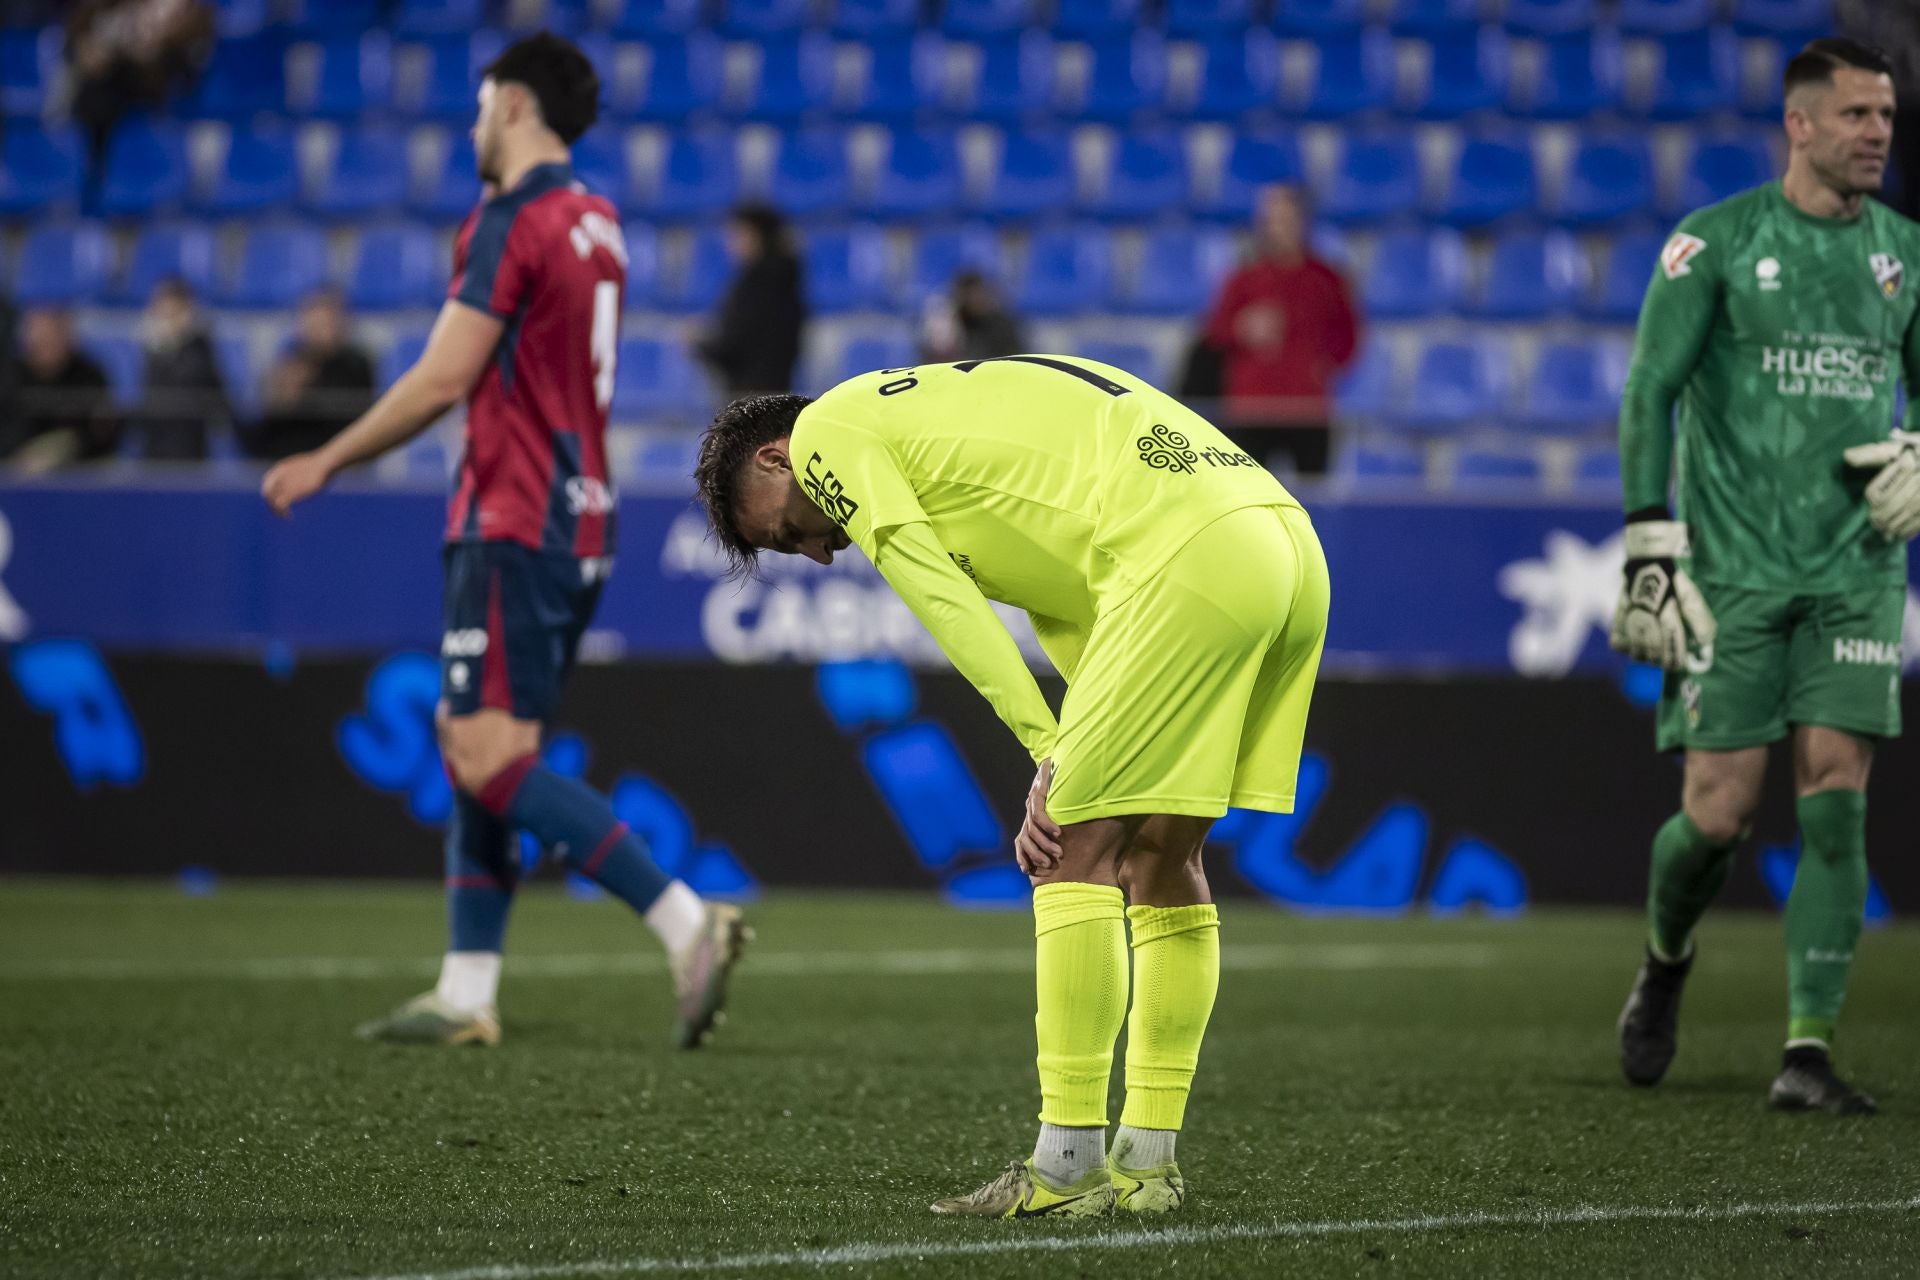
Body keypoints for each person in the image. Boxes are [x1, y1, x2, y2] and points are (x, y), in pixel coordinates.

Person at [694, 355, 1328, 1217]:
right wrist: (1073, 741)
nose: (815, 551)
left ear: (776, 456)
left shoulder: (829, 437)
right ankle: (1148, 1169)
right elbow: (1071, 603)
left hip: (1182, 553)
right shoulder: (933, 429)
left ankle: (1065, 1172)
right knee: (1160, 855)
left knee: (1071, 849)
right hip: (1278, 542)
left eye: (785, 532)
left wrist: (1046, 750)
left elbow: (940, 598)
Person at [261, 33, 749, 1050]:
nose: (472, 122)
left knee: (481, 750)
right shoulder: (597, 220)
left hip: (511, 511)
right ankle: (467, 988)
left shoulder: (511, 218)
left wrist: (328, 457)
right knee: (489, 747)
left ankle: (682, 917)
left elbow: (445, 376)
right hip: (582, 516)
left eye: (481, 102)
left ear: (515, 104)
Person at [1611, 38, 1920, 1116]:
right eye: (1855, 116)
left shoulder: (1906, 254)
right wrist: (1652, 535)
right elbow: (1650, 387)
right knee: (1718, 814)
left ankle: (1808, 1049)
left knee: (1837, 788)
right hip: (1733, 572)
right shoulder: (1718, 243)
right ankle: (1666, 955)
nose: (1878, 132)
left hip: (1859, 571)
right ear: (1799, 125)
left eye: (1885, 115)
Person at [1202, 184, 1359, 478]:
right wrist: (1242, 327)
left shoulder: (1326, 279)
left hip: (1307, 410)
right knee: (1247, 498)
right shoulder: (1244, 278)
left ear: (1303, 220)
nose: (1278, 227)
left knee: (1313, 498)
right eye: (1271, 218)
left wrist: (1319, 366)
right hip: (1251, 409)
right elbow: (1215, 333)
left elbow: (1348, 337)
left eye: (1285, 218)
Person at [247, 288, 375, 461]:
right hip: (285, 457)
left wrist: (309, 386)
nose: (320, 328)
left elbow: (355, 422)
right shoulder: (290, 360)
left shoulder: (357, 363)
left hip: (338, 462)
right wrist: (281, 400)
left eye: (327, 321)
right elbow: (265, 430)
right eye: (314, 320)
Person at [695, 203, 806, 399]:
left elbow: (732, 347)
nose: (729, 243)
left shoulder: (754, 286)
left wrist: (700, 342)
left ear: (755, 236)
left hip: (746, 397)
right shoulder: (789, 282)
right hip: (777, 392)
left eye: (737, 234)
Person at [3, 306, 118, 471]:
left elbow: (103, 433)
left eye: (51, 340)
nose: (44, 347)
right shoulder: (9, 376)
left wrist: (68, 446)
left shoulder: (90, 376)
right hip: (16, 472)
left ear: (67, 340)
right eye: (39, 341)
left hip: (79, 472)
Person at [133, 276, 227, 461]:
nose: (168, 319)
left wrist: (179, 343)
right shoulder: (147, 348)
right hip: (154, 445)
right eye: (164, 311)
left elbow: (205, 388)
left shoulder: (201, 347)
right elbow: (146, 399)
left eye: (175, 312)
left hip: (190, 446)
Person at [918, 269, 1024, 364]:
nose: (975, 299)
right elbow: (936, 355)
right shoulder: (953, 321)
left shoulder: (1001, 324)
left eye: (978, 293)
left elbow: (1013, 357)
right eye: (970, 294)